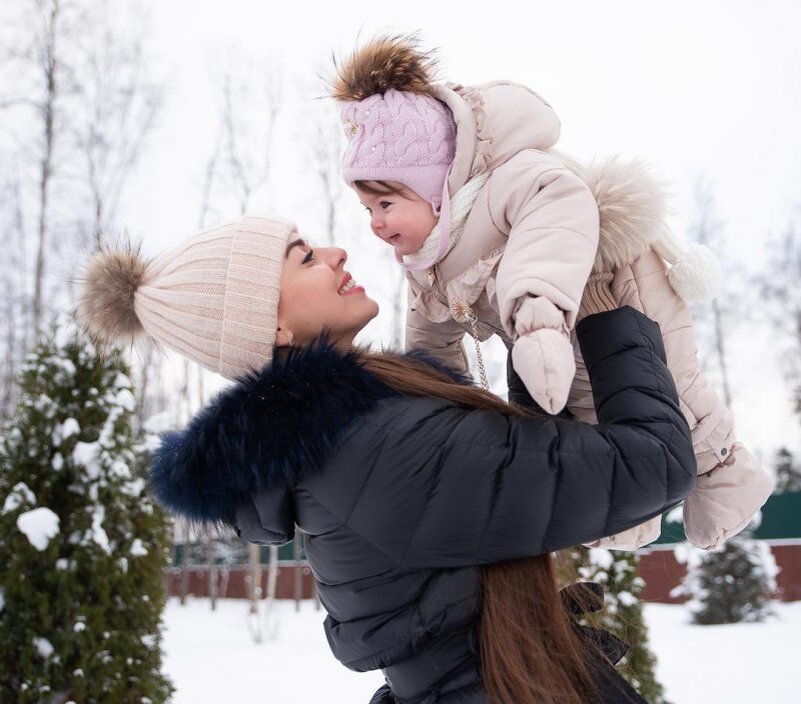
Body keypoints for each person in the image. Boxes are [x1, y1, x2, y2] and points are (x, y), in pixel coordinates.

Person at [76, 216, 696, 704]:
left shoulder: (351, 439)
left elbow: (518, 472)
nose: (337, 253)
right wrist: (605, 309)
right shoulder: (374, 447)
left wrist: (536, 332)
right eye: (305, 258)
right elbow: (655, 464)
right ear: (272, 327)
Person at [332, 34, 774, 551]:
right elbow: (430, 339)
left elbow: (552, 224)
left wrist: (537, 315)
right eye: (367, 210)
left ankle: (728, 482)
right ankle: (629, 518)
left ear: (434, 188)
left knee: (673, 392)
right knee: (586, 419)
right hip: (548, 336)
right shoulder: (427, 258)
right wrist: (431, 403)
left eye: (386, 204)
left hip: (618, 294)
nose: (375, 223)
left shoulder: (513, 181)